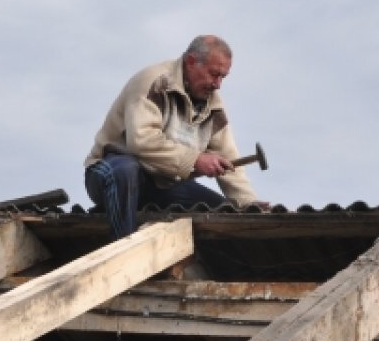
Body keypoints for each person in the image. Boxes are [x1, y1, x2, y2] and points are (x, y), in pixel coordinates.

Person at [83, 35, 268, 239]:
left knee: (224, 212)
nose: (218, 84)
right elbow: (141, 141)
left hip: (161, 184)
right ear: (190, 62)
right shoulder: (154, 82)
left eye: (223, 77)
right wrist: (195, 159)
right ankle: (120, 252)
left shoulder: (214, 107)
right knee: (126, 170)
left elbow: (229, 160)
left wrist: (248, 203)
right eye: (214, 74)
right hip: (109, 174)